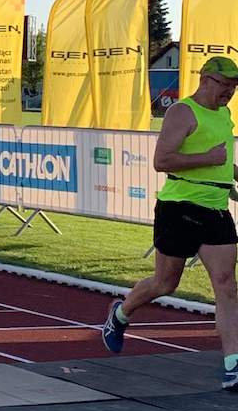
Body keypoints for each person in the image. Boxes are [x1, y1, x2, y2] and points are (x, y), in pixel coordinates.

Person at [102, 56, 238, 390]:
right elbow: (161, 160)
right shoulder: (182, 112)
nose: (229, 92)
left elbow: (220, 160)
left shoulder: (224, 115)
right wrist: (210, 159)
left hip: (216, 209)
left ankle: (233, 364)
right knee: (165, 283)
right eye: (224, 85)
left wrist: (231, 176)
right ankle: (120, 314)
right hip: (179, 207)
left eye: (234, 87)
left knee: (226, 285)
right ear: (205, 79)